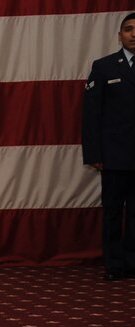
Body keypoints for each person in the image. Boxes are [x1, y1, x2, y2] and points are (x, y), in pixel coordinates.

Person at [82, 12, 135, 280]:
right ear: (120, 35)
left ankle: (132, 263)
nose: (133, 34)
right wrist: (94, 154)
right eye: (128, 29)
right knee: (113, 214)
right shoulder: (103, 67)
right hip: (113, 156)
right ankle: (114, 265)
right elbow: (92, 115)